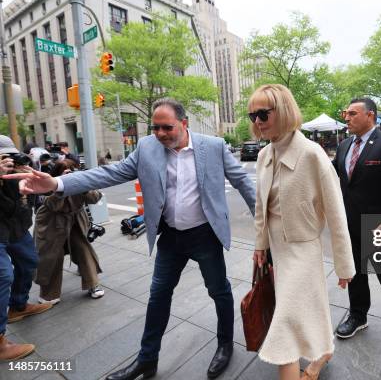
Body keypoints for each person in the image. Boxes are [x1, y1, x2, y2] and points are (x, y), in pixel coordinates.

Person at [3, 98, 256, 379]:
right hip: (170, 237)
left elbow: (243, 183)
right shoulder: (148, 147)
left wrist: (266, 232)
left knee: (218, 291)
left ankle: (224, 344)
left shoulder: (213, 146)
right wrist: (57, 183)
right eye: (155, 127)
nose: (159, 134)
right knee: (158, 297)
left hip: (205, 235)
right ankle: (147, 360)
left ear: (184, 124)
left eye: (167, 127)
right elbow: (110, 173)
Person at [249, 85, 355, 380]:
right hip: (276, 251)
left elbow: (336, 214)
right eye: (252, 115)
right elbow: (261, 207)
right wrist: (260, 247)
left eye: (262, 113)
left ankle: (312, 361)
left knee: (286, 321)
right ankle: (323, 353)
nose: (257, 121)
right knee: (303, 309)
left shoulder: (311, 154)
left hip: (303, 250)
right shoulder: (263, 155)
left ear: (283, 110)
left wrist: (344, 264)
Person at [332, 98, 381, 340]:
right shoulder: (344, 145)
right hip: (350, 225)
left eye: (353, 113)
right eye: (346, 113)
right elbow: (330, 175)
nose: (347, 117)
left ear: (370, 116)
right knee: (355, 272)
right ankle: (358, 315)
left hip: (380, 226)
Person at [0, 136, 53, 361]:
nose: (10, 160)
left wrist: (32, 173)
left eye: (12, 155)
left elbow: (34, 200)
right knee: (3, 275)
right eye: (5, 157)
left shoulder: (18, 171)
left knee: (30, 261)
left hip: (17, 228)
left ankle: (18, 306)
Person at [34, 159, 105, 304]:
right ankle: (49, 293)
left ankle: (93, 284)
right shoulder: (48, 183)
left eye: (72, 170)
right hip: (51, 223)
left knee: (83, 250)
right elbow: (53, 205)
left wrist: (82, 186)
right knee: (52, 256)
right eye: (65, 171)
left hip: (75, 222)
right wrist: (62, 185)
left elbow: (95, 198)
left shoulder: (81, 181)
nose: (69, 173)